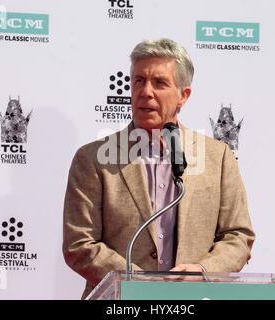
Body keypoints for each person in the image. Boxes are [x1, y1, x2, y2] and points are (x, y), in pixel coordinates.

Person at [63, 38, 255, 299]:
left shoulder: (217, 157)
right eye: (139, 81)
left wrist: (203, 270)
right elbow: (79, 244)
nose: (146, 92)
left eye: (160, 83)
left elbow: (238, 236)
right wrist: (136, 281)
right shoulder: (93, 158)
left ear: (183, 95)